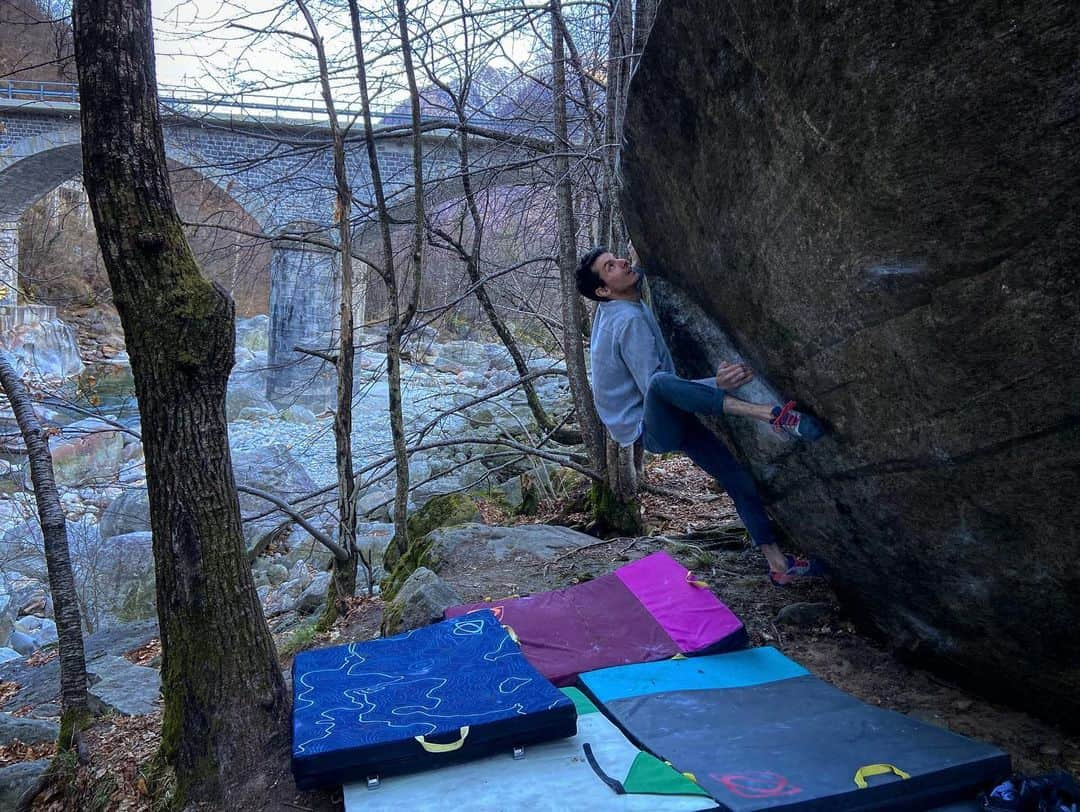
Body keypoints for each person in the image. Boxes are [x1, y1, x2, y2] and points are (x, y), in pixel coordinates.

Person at [575, 243, 825, 586]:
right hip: (649, 426)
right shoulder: (627, 321)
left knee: (736, 478)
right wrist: (717, 382)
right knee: (662, 382)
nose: (620, 263)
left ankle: (778, 565)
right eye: (610, 267)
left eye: (617, 259)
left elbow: (635, 269)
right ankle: (770, 414)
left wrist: (638, 256)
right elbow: (654, 388)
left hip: (667, 412)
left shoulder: (617, 299)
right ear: (603, 290)